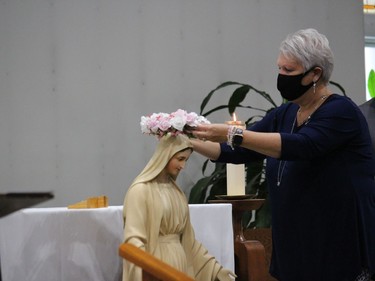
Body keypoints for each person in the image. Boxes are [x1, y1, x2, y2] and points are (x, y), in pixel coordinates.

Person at [190, 28, 375, 281]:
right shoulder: (285, 114)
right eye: (279, 68)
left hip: (336, 244)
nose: (281, 76)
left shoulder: (342, 111)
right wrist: (187, 139)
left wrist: (232, 133)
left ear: (315, 74)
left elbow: (301, 145)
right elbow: (234, 151)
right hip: (295, 245)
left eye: (289, 71)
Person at [122, 132, 235, 281]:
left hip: (180, 262)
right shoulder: (140, 190)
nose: (183, 166)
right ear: (165, 155)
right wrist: (144, 271)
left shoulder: (176, 192)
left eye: (186, 160)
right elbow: (133, 240)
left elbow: (189, 242)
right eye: (180, 159)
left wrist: (214, 269)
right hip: (157, 264)